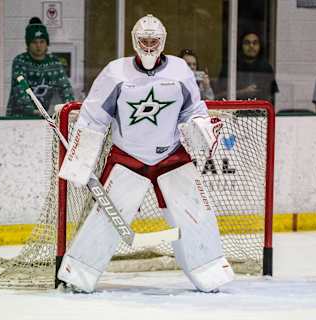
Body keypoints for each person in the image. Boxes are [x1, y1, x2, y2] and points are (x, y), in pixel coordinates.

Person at [56, 14, 234, 293]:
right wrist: (80, 159)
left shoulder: (179, 71)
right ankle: (77, 272)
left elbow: (193, 110)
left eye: (154, 41)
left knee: (195, 210)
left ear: (162, 42)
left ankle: (209, 270)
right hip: (127, 156)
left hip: (171, 154)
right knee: (107, 216)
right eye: (144, 41)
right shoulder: (116, 73)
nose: (149, 46)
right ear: (134, 42)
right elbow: (93, 117)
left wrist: (200, 127)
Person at [7, 17, 74, 116]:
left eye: (42, 41)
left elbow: (65, 88)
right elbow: (20, 89)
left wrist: (70, 109)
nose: (38, 46)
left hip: (42, 116)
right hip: (18, 117)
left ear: (47, 44)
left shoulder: (54, 63)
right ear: (28, 44)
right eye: (34, 42)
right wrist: (32, 111)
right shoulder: (20, 61)